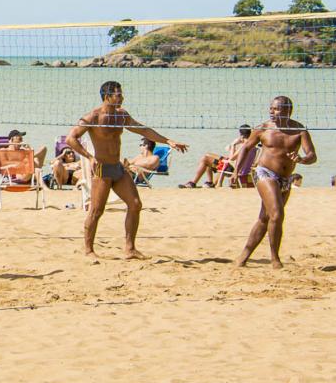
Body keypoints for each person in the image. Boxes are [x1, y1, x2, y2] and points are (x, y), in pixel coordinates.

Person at [65, 81, 188, 260]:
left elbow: (143, 130)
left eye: (121, 94)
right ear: (107, 97)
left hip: (117, 168)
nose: (122, 97)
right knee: (96, 211)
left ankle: (130, 249)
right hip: (102, 169)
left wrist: (168, 141)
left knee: (135, 204)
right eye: (118, 95)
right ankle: (88, 250)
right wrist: (89, 157)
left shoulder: (121, 115)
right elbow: (71, 139)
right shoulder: (93, 117)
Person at [234, 96, 317, 270]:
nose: (272, 112)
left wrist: (301, 159)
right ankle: (275, 259)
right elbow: (246, 147)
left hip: (285, 179)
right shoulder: (263, 128)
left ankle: (243, 257)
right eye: (271, 108)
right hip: (264, 173)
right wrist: (236, 170)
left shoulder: (299, 130)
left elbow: (312, 156)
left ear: (288, 111)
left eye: (277, 109)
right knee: (277, 214)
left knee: (265, 218)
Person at [179, 125, 252, 188]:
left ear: (241, 135)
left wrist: (233, 145)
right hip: (244, 169)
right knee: (208, 156)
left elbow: (232, 159)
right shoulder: (252, 145)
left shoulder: (243, 146)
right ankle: (210, 183)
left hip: (234, 169)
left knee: (205, 158)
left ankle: (193, 183)